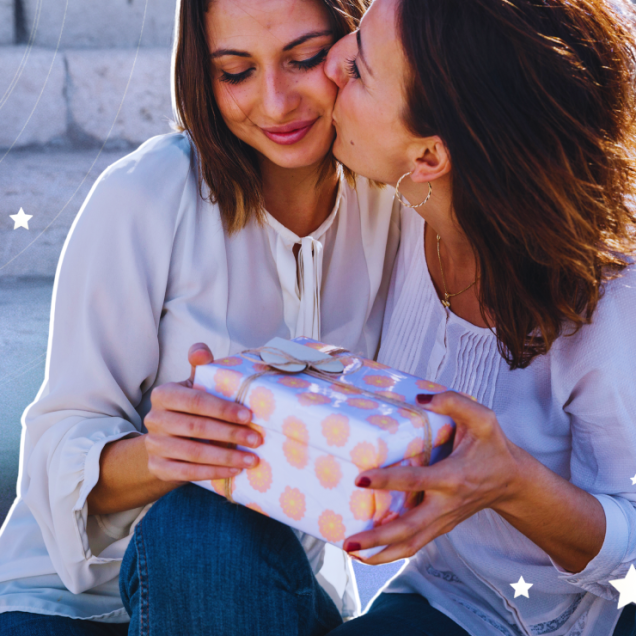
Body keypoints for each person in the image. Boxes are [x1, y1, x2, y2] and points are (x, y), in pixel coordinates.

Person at [0, 0, 402, 634]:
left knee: (220, 529)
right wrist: (165, 454)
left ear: (356, 47)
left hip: (270, 588)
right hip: (74, 603)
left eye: (302, 60)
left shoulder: (395, 204)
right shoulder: (145, 194)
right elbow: (56, 446)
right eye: (236, 72)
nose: (275, 103)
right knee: (202, 517)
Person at [320, 0, 636, 635]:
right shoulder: (394, 216)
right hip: (447, 603)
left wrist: (510, 481)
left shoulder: (615, 297)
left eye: (358, 69)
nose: (331, 61)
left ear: (430, 155)